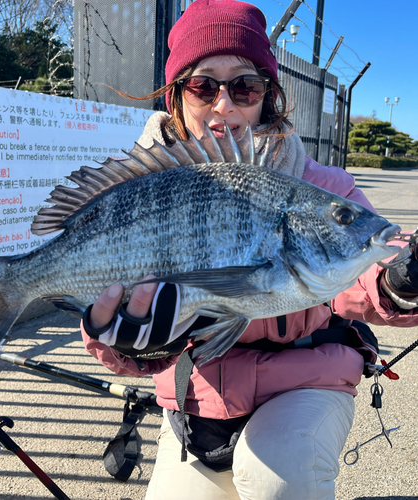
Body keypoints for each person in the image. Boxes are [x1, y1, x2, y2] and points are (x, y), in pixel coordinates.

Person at [81, 1, 418, 499]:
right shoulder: (142, 183)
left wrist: (400, 281)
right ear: (176, 96)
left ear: (267, 95)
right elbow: (96, 290)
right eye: (202, 85)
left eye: (244, 85)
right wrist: (134, 345)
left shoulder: (324, 190)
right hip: (198, 399)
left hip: (310, 378)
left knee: (278, 477)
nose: (224, 105)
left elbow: (364, 275)